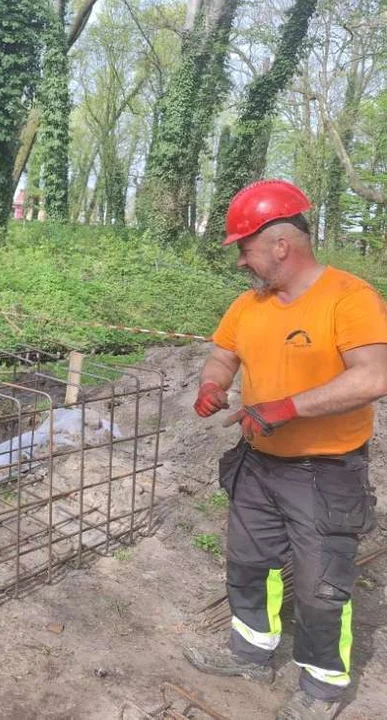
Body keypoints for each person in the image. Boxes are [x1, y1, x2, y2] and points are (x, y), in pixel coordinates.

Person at [185, 179, 387, 720]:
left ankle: (322, 689)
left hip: (325, 470)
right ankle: (252, 653)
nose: (241, 263)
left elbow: (373, 377)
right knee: (248, 562)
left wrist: (288, 407)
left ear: (280, 245)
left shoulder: (350, 298)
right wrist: (212, 385)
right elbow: (224, 355)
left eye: (244, 249)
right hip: (257, 464)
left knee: (322, 584)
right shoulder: (249, 305)